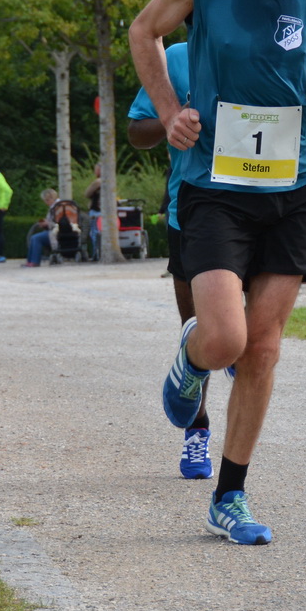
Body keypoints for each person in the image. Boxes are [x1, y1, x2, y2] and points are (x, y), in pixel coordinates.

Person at [128, 0, 306, 545]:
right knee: (225, 337)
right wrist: (170, 112)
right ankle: (192, 359)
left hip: (297, 181)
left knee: (263, 347)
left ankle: (230, 495)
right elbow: (144, 31)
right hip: (215, 183)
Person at [128, 40, 227, 478]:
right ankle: (197, 431)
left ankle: (234, 481)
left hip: (264, 209)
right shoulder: (177, 58)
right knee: (200, 338)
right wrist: (171, 118)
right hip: (190, 211)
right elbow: (136, 132)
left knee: (249, 339)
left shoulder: (275, 44)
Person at [22, 188, 63, 267]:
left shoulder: (56, 208)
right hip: (60, 231)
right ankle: (31, 261)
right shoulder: (63, 206)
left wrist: (47, 223)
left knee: (36, 238)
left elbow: (58, 223)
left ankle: (34, 261)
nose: (46, 203)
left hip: (56, 233)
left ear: (51, 198)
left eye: (47, 200)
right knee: (34, 237)